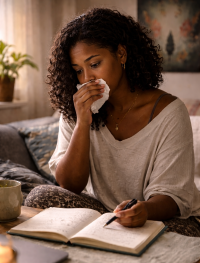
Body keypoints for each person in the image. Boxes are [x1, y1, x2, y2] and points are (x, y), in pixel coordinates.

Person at [25, 8, 200, 236]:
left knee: (174, 239)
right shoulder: (77, 107)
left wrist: (142, 210)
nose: (87, 79)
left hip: (159, 214)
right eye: (78, 70)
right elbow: (70, 184)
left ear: (121, 54)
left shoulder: (168, 112)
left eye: (95, 64)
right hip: (105, 213)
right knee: (40, 196)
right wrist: (82, 124)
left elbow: (173, 197)